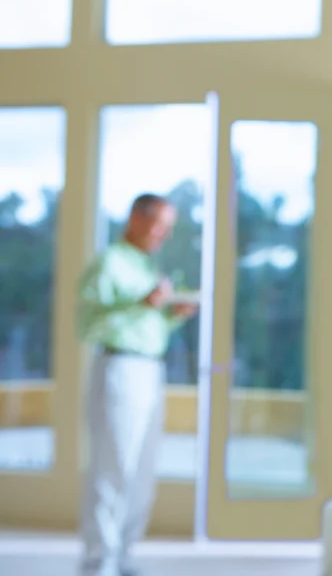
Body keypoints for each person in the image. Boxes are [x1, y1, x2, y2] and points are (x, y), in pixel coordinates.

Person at [77, 194, 197, 576]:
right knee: (114, 468)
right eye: (159, 224)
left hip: (149, 369)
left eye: (168, 227)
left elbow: (147, 324)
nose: (163, 234)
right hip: (118, 367)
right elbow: (88, 325)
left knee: (142, 469)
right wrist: (140, 303)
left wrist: (171, 315)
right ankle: (99, 560)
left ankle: (124, 554)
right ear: (135, 218)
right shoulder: (108, 262)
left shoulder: (147, 266)